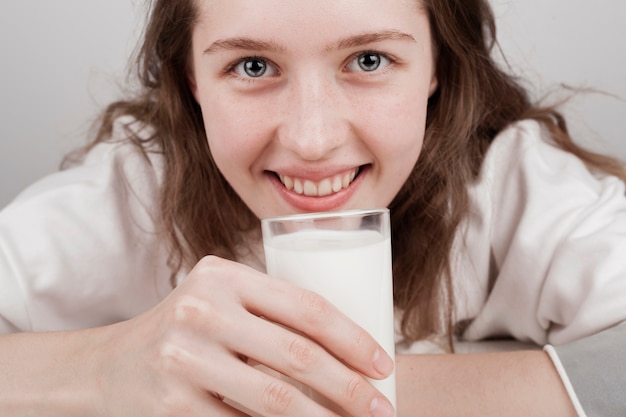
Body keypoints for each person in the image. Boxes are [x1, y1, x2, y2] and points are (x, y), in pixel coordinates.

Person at [0, 0, 624, 415]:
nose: (311, 138)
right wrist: (109, 364)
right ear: (192, 77)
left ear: (437, 65)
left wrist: (335, 395)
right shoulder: (134, 192)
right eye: (252, 65)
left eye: (370, 60)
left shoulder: (508, 182)